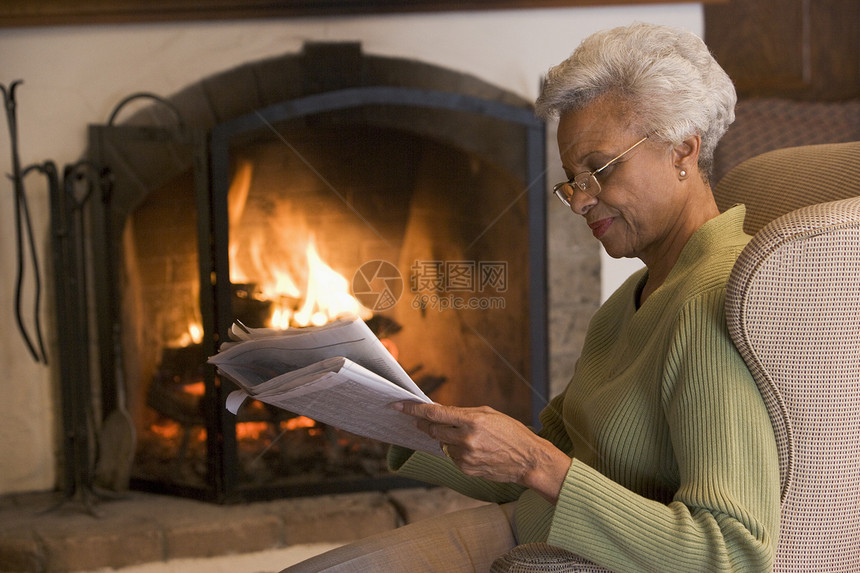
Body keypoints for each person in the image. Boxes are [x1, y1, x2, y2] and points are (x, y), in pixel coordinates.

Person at [283, 22, 780, 573]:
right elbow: (559, 454)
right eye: (572, 179)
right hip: (533, 527)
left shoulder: (713, 301)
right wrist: (386, 417)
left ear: (683, 149)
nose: (581, 200)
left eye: (601, 168)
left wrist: (534, 462)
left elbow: (730, 553)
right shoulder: (636, 297)